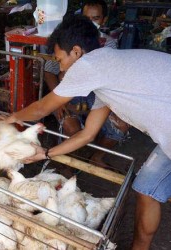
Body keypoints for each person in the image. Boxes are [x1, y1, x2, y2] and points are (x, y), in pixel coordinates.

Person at [0, 15, 171, 250]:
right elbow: (87, 135)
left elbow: (42, 108)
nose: (60, 67)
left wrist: (12, 117)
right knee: (147, 188)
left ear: (76, 52)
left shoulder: (91, 66)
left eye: (59, 59)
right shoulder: (108, 75)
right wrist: (46, 153)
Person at [44, 0, 129, 169]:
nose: (90, 23)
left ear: (103, 20)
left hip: (96, 96)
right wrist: (60, 102)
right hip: (68, 94)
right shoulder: (67, 42)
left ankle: (96, 157)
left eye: (95, 18)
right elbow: (49, 71)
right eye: (86, 18)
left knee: (120, 125)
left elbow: (109, 82)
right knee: (71, 127)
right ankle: (68, 166)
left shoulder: (109, 44)